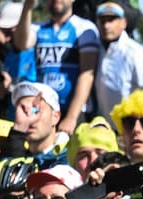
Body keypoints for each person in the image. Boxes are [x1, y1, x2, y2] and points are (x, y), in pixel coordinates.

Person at [13, 0, 101, 133]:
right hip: (45, 109)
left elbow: (87, 74)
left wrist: (71, 117)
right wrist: (27, 8)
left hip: (75, 112)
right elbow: (22, 43)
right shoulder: (38, 28)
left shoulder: (84, 28)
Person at [94, 1, 143, 119]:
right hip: (106, 127)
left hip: (132, 126)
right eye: (103, 20)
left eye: (111, 20)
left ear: (123, 23)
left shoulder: (135, 53)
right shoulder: (96, 50)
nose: (106, 25)